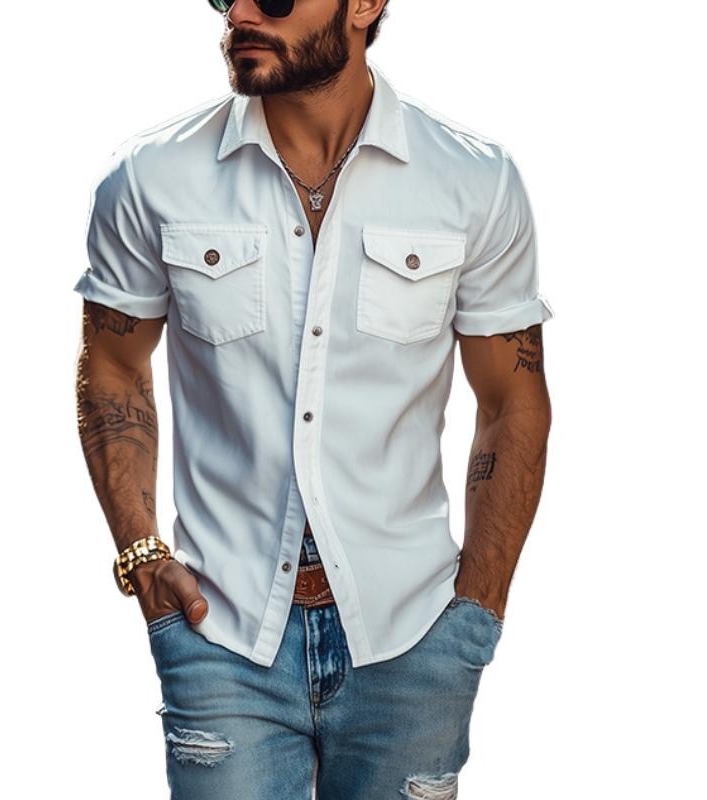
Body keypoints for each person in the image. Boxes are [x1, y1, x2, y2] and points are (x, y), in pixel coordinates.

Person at [75, 1, 552, 797]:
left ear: (364, 5)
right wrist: (143, 556)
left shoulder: (474, 180)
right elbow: (113, 367)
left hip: (412, 635)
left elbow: (512, 400)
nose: (240, 13)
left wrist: (478, 609)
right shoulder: (151, 177)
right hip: (220, 633)